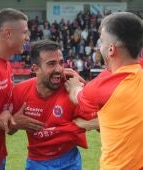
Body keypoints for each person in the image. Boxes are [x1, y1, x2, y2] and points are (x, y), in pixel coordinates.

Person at [65, 12, 143, 170]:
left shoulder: (100, 88)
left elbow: (78, 96)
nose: (99, 46)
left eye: (101, 41)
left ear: (111, 49)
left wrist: (73, 85)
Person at [9, 39, 98, 170]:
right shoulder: (20, 92)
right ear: (35, 68)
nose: (59, 69)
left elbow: (102, 122)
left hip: (69, 160)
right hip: (36, 162)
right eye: (51, 64)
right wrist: (14, 122)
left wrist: (81, 124)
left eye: (61, 63)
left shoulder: (72, 88)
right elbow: (9, 130)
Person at [0, 8, 44, 170]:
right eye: (24, 32)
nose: (27, 37)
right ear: (8, 33)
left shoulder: (5, 64)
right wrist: (6, 121)